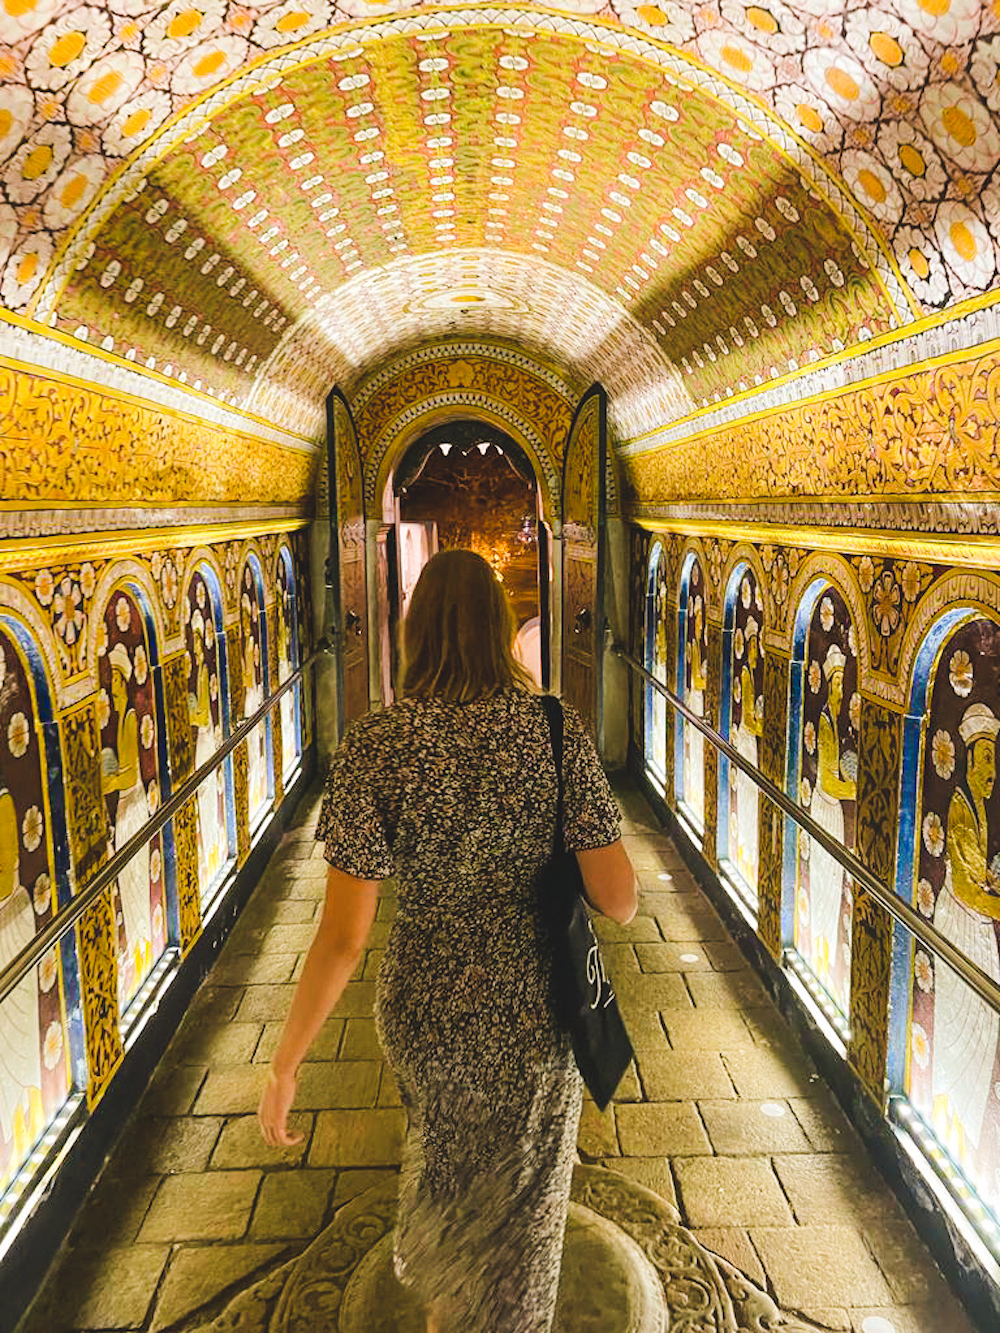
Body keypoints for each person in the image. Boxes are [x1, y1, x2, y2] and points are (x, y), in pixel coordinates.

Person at [258, 549, 637, 1333]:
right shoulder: (556, 733)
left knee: (443, 1181)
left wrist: (286, 1064)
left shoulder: (373, 747)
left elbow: (343, 938)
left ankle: (446, 1315)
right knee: (525, 1207)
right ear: (503, 631)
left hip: (424, 1013)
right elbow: (620, 899)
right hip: (534, 1017)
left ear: (412, 631)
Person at [931, 701, 1000, 1167]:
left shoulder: (979, 809)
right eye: (986, 760)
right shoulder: (959, 807)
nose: (992, 771)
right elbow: (970, 890)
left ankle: (963, 1130)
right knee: (964, 1031)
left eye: (994, 760)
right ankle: (951, 1123)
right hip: (960, 922)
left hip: (973, 925)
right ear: (968, 761)